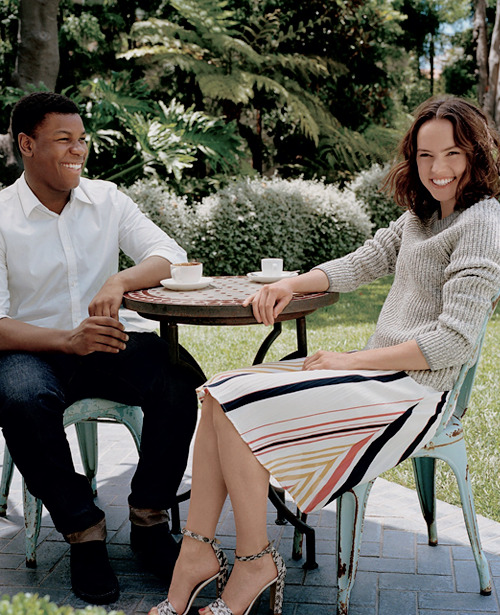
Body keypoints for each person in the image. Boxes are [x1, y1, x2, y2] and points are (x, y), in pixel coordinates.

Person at [149, 94, 500, 615]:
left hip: (416, 393)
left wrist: (349, 360)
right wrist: (292, 283)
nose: (438, 169)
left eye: (452, 154)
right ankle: (199, 555)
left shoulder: (483, 223)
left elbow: (454, 341)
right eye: (425, 156)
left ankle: (252, 562)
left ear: (475, 154)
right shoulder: (420, 217)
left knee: (236, 404)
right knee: (215, 395)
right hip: (377, 374)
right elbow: (364, 261)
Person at [0, 92, 204, 605]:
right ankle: (83, 530)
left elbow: (168, 255)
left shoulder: (108, 199)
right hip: (34, 348)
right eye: (63, 140)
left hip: (108, 340)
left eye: (82, 140)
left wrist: (119, 281)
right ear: (26, 145)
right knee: (20, 398)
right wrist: (67, 339)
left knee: (179, 379)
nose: (79, 151)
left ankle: (149, 520)